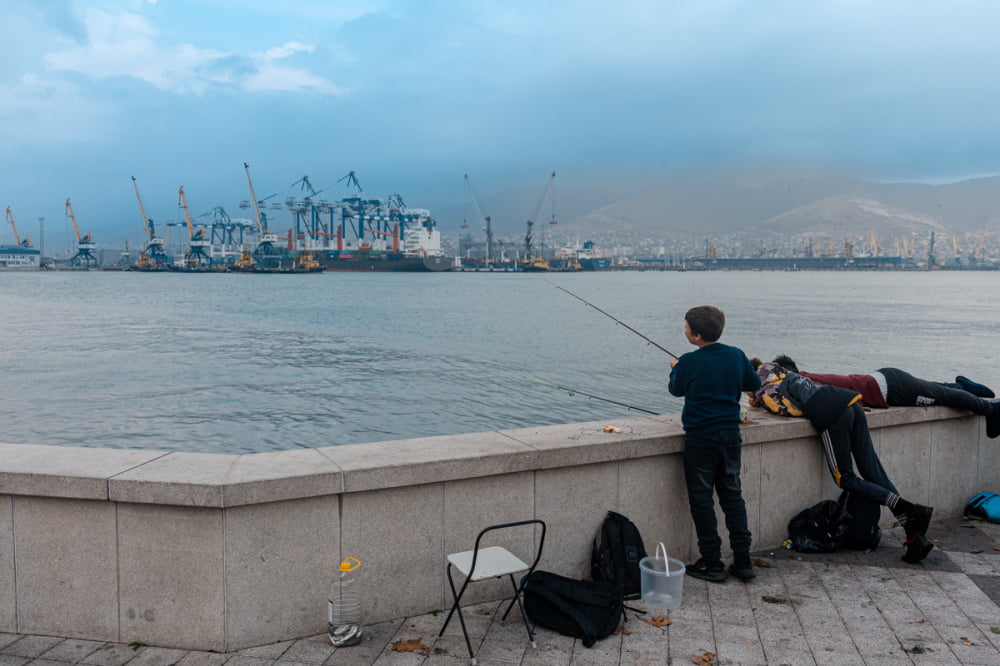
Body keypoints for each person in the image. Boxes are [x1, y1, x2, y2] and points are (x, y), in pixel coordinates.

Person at [751, 360, 935, 563]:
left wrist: (760, 400)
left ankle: (911, 509)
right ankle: (914, 536)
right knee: (873, 472)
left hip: (834, 416)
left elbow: (790, 410)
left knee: (844, 478)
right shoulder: (777, 370)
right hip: (850, 403)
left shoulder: (762, 387)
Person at [669, 306, 761, 583]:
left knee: (701, 499)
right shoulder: (736, 354)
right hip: (730, 435)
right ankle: (743, 562)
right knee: (733, 496)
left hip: (701, 438)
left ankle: (712, 562)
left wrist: (676, 368)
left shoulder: (688, 361)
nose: (684, 330)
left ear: (696, 335)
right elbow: (753, 382)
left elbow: (676, 389)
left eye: (685, 327)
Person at [772, 355, 1000, 439]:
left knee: (942, 397)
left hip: (892, 388)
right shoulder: (805, 380)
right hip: (886, 382)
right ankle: (961, 385)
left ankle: (991, 410)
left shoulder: (804, 383)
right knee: (935, 390)